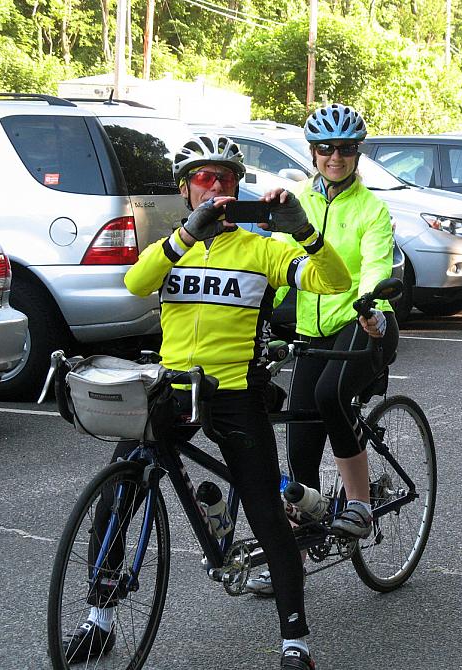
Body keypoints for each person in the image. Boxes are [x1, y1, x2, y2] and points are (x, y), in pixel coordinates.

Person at [61, 133, 351, 670]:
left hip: (233, 392)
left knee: (263, 507)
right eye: (202, 177)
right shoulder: (173, 245)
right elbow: (135, 281)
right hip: (171, 388)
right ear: (185, 190)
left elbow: (334, 281)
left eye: (225, 178)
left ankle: (295, 640)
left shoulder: (262, 246)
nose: (214, 187)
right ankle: (98, 617)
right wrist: (182, 239)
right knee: (117, 491)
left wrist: (306, 234)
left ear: (238, 187)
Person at [247, 103, 399, 596]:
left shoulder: (371, 209)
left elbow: (375, 264)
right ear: (313, 152)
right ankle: (294, 549)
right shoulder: (300, 201)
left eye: (346, 148)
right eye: (326, 148)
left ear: (357, 153)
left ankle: (358, 502)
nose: (335, 156)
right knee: (300, 438)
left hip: (365, 321)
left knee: (333, 395)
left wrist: (372, 302)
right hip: (312, 331)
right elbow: (273, 255)